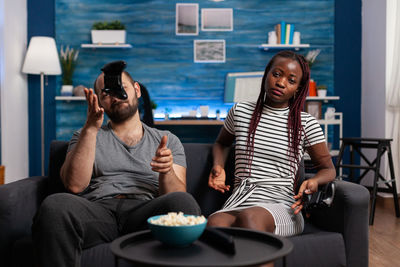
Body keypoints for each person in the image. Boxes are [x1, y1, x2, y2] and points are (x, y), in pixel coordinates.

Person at [32, 67, 201, 267]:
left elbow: (177, 197)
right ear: (99, 100)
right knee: (55, 205)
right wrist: (90, 129)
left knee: (184, 202)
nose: (115, 97)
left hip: (146, 214)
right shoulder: (84, 135)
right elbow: (74, 186)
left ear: (136, 90)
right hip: (97, 212)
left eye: (121, 88)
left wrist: (167, 170)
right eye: (106, 93)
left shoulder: (168, 140)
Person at [207, 50, 336, 237]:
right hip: (240, 200)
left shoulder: (306, 123)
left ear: (298, 88)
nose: (281, 83)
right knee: (214, 224)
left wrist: (314, 181)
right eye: (276, 74)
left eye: (291, 81)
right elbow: (222, 143)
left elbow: (328, 169)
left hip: (281, 204)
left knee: (250, 218)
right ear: (267, 73)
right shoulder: (240, 111)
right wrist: (218, 167)